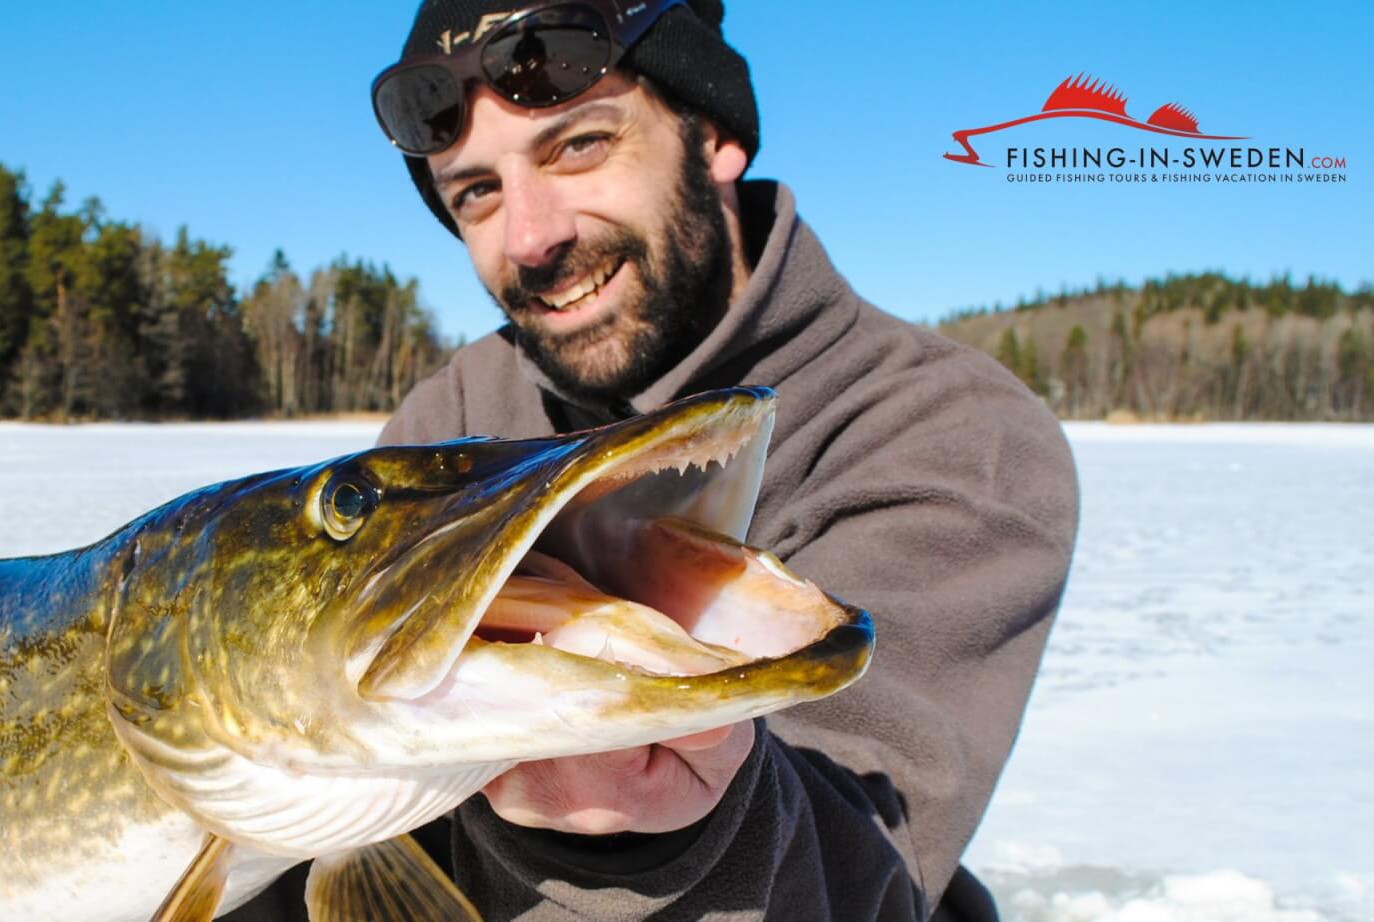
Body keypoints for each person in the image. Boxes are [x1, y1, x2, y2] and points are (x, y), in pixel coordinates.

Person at [239, 1, 1080, 919]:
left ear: (715, 134)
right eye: (475, 192)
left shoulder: (945, 431)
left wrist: (652, 836)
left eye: (578, 146)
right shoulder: (456, 417)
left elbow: (863, 872)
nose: (530, 237)